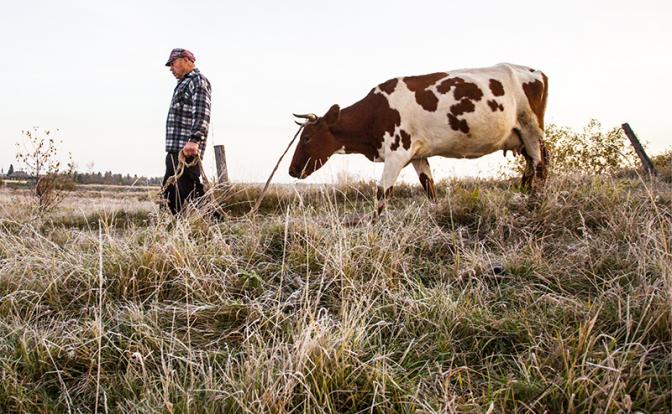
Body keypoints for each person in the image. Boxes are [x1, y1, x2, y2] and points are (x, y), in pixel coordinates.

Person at [162, 48, 212, 214]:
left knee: (191, 192)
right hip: (175, 149)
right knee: (169, 193)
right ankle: (170, 228)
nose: (171, 68)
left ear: (185, 60)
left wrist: (194, 139)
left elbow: (202, 111)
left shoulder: (197, 80)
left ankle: (216, 226)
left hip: (186, 149)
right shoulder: (183, 83)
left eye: (173, 63)